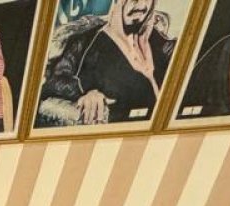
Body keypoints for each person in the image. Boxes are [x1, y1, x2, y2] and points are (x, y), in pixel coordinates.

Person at [36, 0, 177, 126]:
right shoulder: (86, 42)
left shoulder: (157, 40)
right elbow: (55, 81)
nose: (140, 5)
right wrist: (87, 93)